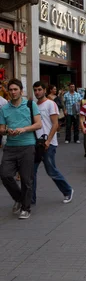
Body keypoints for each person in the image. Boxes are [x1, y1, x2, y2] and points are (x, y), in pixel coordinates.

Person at [0, 78, 42, 219]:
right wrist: (7, 131)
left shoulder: (30, 105)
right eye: (10, 90)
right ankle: (19, 198)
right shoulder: (4, 108)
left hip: (27, 146)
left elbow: (38, 125)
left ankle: (26, 208)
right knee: (5, 174)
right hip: (10, 147)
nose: (13, 92)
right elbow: (1, 129)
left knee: (26, 179)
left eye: (15, 89)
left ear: (21, 91)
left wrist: (23, 129)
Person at [32, 81, 74, 205]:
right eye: (35, 90)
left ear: (45, 90)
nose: (37, 92)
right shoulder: (34, 105)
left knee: (51, 170)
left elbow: (55, 124)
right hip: (36, 143)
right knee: (31, 172)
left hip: (48, 143)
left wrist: (48, 141)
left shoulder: (51, 104)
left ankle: (67, 190)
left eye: (39, 89)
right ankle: (31, 198)